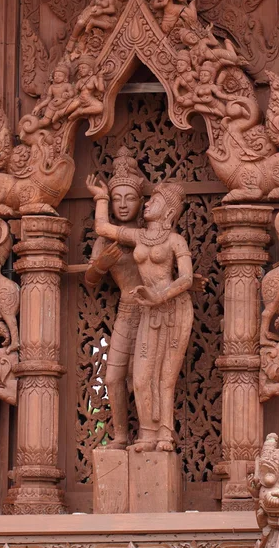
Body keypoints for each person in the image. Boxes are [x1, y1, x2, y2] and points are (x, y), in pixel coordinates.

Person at [86, 174, 194, 452]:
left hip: (171, 308)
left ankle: (165, 435)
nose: (146, 204)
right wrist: (100, 197)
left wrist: (161, 295)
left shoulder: (175, 240)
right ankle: (143, 435)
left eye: (151, 200)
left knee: (165, 376)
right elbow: (102, 228)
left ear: (169, 211)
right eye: (117, 198)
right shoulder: (138, 237)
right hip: (142, 308)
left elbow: (186, 278)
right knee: (139, 376)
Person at [86, 147, 144, 450]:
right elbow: (91, 281)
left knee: (143, 377)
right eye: (117, 198)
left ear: (141, 200)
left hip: (152, 310)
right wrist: (101, 265)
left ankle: (151, 434)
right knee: (113, 378)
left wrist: (102, 198)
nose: (123, 205)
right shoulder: (105, 240)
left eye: (130, 198)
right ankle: (121, 435)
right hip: (126, 308)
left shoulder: (151, 233)